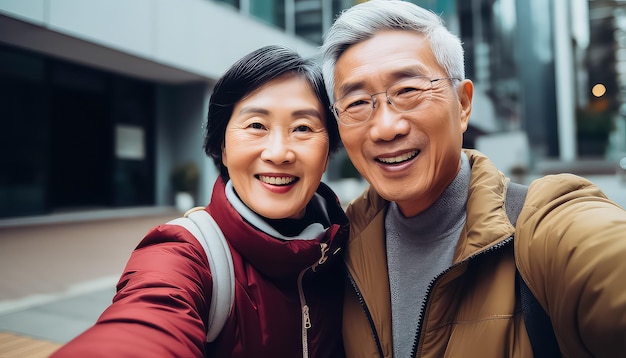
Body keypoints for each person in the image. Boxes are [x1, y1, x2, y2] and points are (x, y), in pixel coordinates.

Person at [320, 1, 626, 357]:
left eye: (408, 91)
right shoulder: (336, 248)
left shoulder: (544, 225)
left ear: (463, 104)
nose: (386, 128)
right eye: (357, 102)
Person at [52, 45, 349, 357]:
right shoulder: (187, 253)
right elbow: (145, 324)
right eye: (256, 126)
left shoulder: (351, 246)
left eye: (302, 128)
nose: (278, 153)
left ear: (328, 151)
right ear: (222, 145)